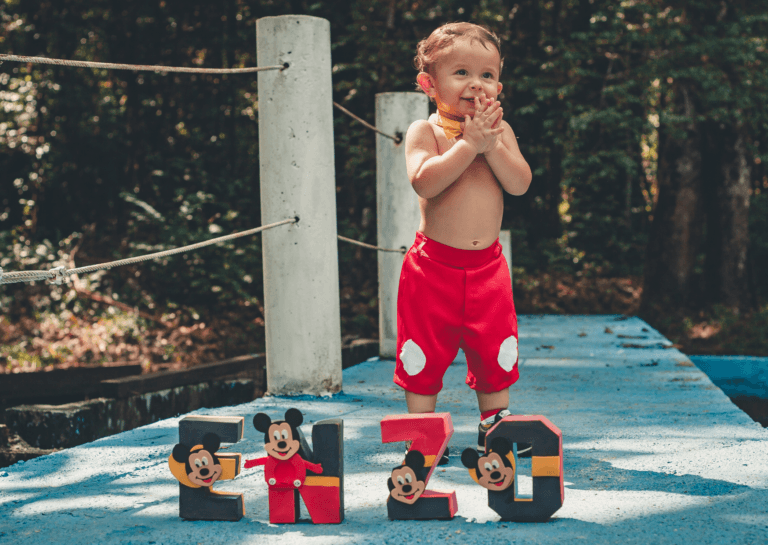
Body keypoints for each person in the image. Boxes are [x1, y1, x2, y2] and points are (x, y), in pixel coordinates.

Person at [397, 22, 532, 460]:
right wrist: (467, 146)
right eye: (461, 73)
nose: (476, 84)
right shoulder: (427, 131)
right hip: (431, 270)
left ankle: (495, 433)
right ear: (429, 84)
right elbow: (424, 182)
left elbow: (519, 185)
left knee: (496, 351)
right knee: (423, 352)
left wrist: (489, 144)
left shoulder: (501, 133)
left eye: (487, 75)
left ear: (498, 86)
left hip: (487, 272)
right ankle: (421, 438)